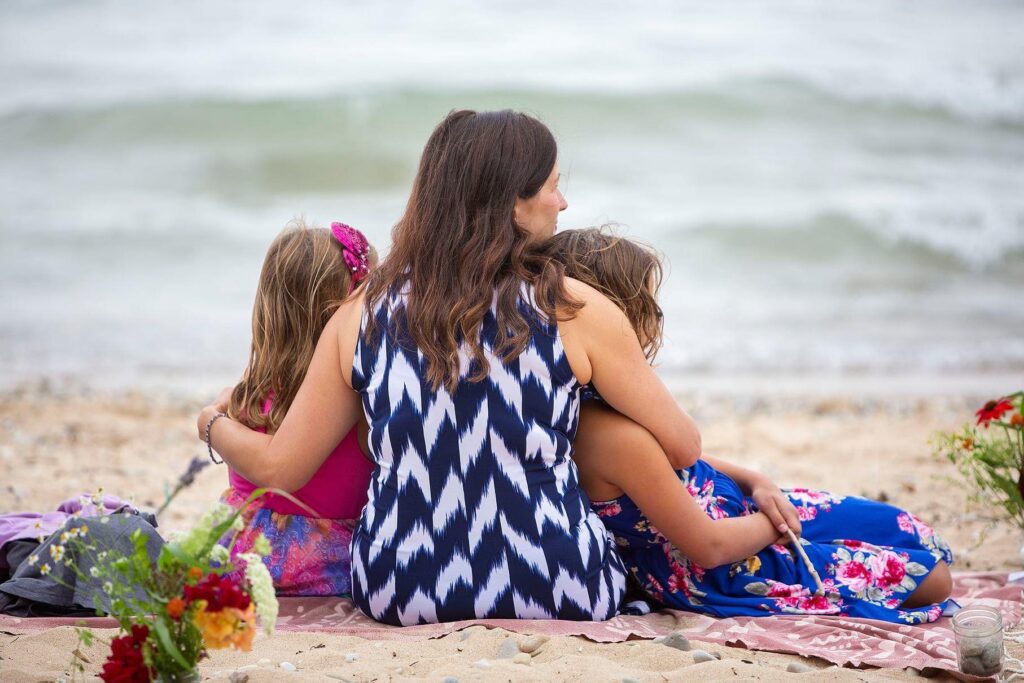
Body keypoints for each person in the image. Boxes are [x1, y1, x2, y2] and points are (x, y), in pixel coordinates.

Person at [196, 109, 706, 626]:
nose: (563, 201)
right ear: (512, 202)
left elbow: (281, 469)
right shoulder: (576, 309)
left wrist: (211, 423)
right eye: (553, 186)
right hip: (560, 585)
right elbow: (683, 446)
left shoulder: (360, 314)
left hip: (396, 589)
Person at [544, 226, 954, 624]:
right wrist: (774, 525)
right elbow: (708, 546)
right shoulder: (611, 436)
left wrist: (754, 481)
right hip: (729, 562)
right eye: (650, 308)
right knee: (934, 579)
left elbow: (672, 463)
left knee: (907, 530)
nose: (655, 322)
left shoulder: (598, 401)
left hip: (741, 512)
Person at [218, 220, 377, 596]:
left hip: (237, 558)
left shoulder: (247, 396)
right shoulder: (358, 398)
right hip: (326, 567)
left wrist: (211, 421)